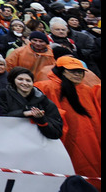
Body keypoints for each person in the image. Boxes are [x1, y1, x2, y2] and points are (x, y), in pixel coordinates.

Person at [36, 57, 101, 190]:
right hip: (63, 139)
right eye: (73, 71)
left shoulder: (86, 90)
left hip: (89, 141)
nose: (78, 74)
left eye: (80, 71)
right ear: (62, 71)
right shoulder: (46, 86)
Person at [0, 67, 63, 140]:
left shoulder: (44, 101)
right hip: (9, 141)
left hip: (35, 145)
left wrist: (41, 120)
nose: (25, 83)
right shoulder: (3, 96)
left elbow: (56, 133)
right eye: (20, 79)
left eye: (28, 80)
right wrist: (23, 113)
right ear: (13, 80)